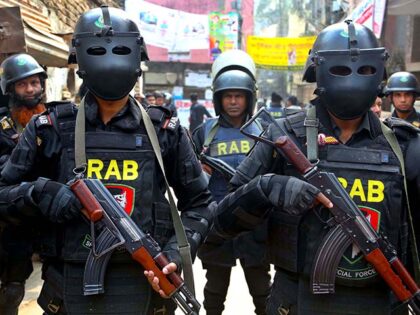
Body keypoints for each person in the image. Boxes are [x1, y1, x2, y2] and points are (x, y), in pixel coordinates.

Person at [0, 6, 213, 315]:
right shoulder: (51, 128)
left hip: (144, 284)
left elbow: (201, 204)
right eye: (99, 50)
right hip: (69, 287)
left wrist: (175, 255)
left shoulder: (164, 131)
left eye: (121, 50)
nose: (111, 61)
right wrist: (42, 193)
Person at [212, 20, 420, 314]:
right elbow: (219, 223)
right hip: (297, 300)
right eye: (340, 70)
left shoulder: (405, 146)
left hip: (380, 301)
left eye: (364, 70)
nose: (353, 80)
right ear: (319, 73)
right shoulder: (283, 137)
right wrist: (269, 188)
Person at [192, 51, 270, 315]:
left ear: (249, 97)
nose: (233, 101)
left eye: (239, 96)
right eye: (228, 96)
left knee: (262, 291)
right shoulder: (205, 132)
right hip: (219, 221)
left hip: (256, 222)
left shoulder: (265, 130)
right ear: (218, 99)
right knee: (214, 292)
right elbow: (189, 179)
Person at [0, 53, 50, 315]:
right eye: (22, 84)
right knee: (10, 287)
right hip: (8, 218)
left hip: (41, 215)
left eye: (34, 82)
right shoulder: (2, 125)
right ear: (10, 89)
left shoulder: (52, 119)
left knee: (21, 285)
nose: (30, 89)